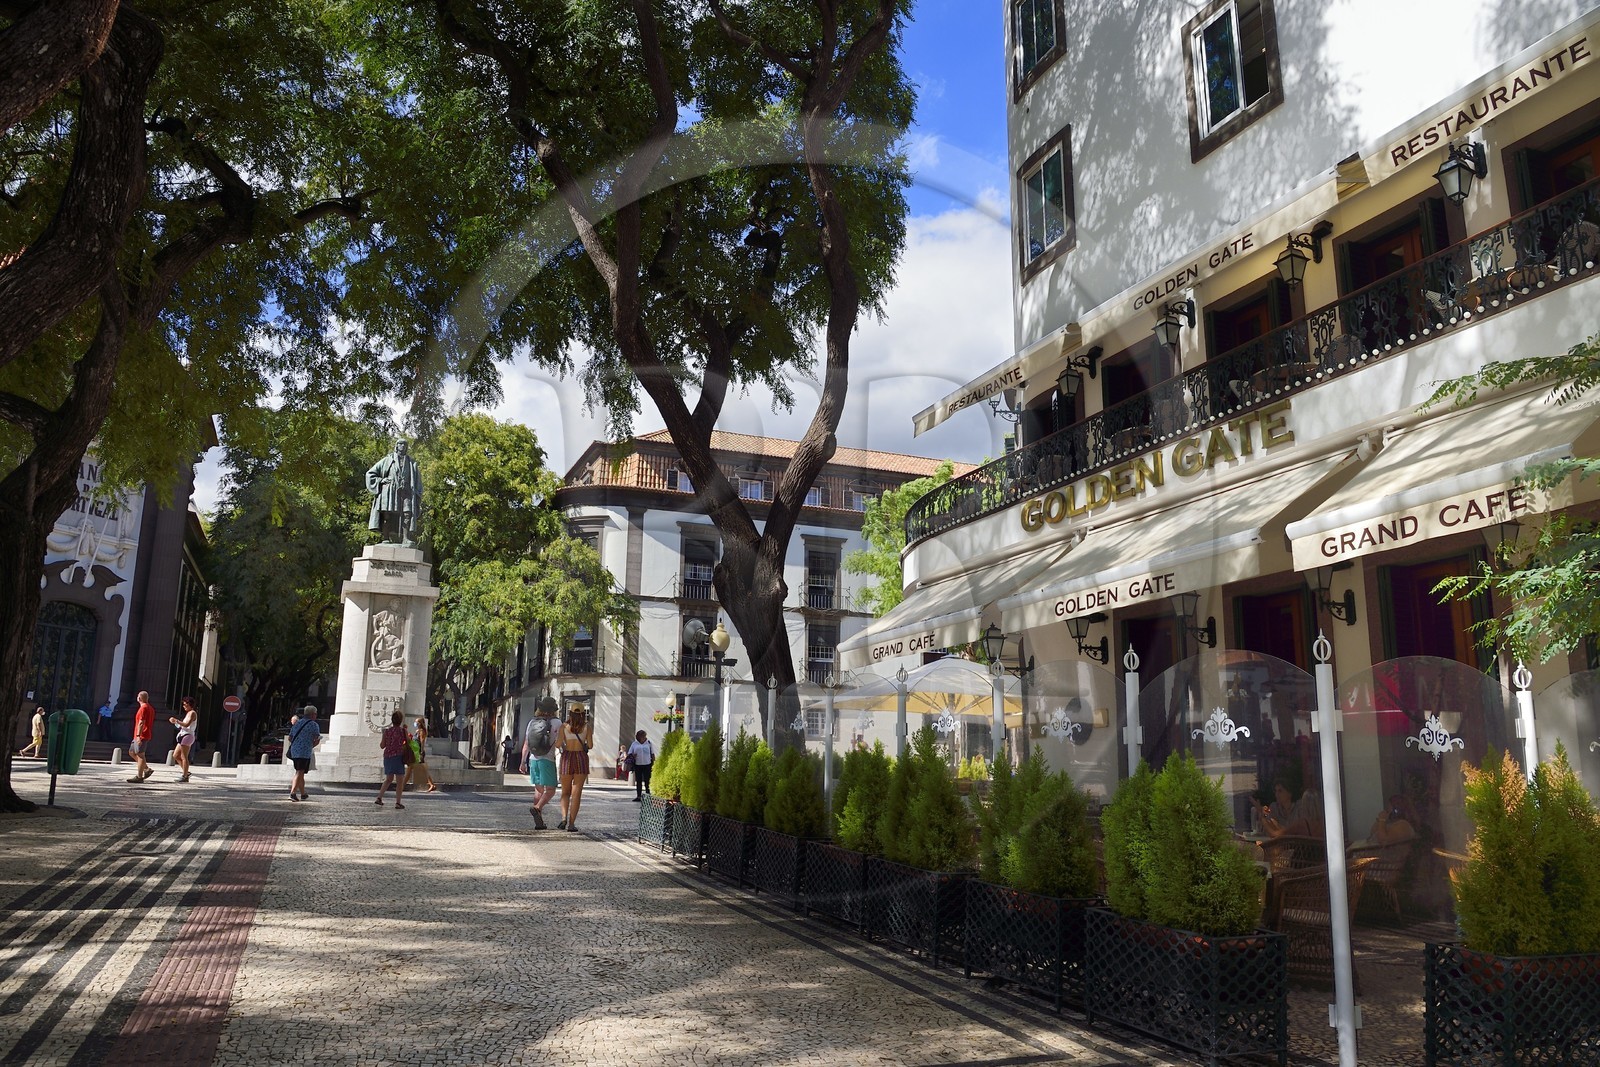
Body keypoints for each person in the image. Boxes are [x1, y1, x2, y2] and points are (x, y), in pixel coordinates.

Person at [365, 439, 423, 546]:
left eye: (405, 444)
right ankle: (385, 538)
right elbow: (370, 474)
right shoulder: (388, 460)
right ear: (396, 446)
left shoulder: (411, 463)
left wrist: (416, 493)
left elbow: (418, 481)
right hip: (390, 491)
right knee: (387, 515)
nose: (403, 446)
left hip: (406, 492)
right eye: (400, 444)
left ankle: (405, 538)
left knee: (407, 513)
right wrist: (381, 480)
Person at [521, 697, 560, 829]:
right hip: (547, 759)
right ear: (554, 710)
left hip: (533, 759)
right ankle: (537, 807)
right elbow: (561, 743)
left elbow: (526, 743)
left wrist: (522, 762)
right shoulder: (557, 723)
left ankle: (539, 822)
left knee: (538, 790)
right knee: (551, 790)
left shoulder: (532, 722)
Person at [556, 704, 593, 833]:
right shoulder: (586, 727)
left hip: (567, 757)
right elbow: (591, 745)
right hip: (581, 758)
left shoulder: (564, 727)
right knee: (576, 793)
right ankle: (571, 824)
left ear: (570, 713)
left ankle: (564, 817)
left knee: (565, 792)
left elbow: (558, 744)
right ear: (583, 714)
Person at [1253, 774, 1325, 838]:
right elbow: (1287, 832)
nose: (1276, 794)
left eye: (1280, 791)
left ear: (1290, 793)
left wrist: (1263, 818)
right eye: (1275, 791)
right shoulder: (1274, 807)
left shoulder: (1300, 814)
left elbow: (1275, 834)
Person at [287, 705, 322, 801]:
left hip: (295, 751)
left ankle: (303, 793)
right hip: (304, 752)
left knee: (300, 771)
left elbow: (290, 737)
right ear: (312, 714)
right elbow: (317, 739)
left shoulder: (297, 723)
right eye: (315, 714)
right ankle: (292, 793)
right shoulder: (313, 725)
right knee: (299, 772)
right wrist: (310, 745)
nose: (316, 716)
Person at [376, 710, 409, 808]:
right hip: (398, 757)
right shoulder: (403, 731)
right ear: (401, 720)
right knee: (399, 781)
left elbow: (382, 746)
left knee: (388, 779)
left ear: (392, 720)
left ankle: (379, 797)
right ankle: (398, 802)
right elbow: (407, 742)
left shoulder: (387, 731)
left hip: (388, 757)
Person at [406, 716, 440, 793]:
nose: (415, 723)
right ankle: (431, 784)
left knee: (420, 769)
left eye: (416, 722)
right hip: (415, 752)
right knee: (416, 768)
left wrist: (421, 752)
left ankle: (431, 784)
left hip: (418, 752)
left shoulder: (421, 731)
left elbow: (422, 742)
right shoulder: (417, 731)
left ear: (420, 723)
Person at [168, 696, 198, 782]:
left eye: (185, 704)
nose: (184, 706)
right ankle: (186, 771)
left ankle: (185, 776)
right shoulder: (188, 713)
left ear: (190, 705)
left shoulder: (192, 713)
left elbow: (186, 724)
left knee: (183, 756)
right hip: (183, 735)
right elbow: (183, 725)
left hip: (188, 735)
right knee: (175, 755)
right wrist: (175, 722)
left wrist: (176, 720)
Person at [127, 691, 155, 783]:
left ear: (139, 698)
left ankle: (139, 776)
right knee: (132, 752)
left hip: (142, 734)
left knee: (140, 755)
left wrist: (138, 736)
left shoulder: (144, 708)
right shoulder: (150, 708)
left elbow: (141, 722)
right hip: (139, 734)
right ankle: (146, 769)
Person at [627, 730, 655, 801]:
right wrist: (633, 755)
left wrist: (654, 763)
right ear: (638, 737)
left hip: (647, 764)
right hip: (638, 764)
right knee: (639, 781)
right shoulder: (634, 744)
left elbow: (652, 753)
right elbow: (629, 753)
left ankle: (648, 796)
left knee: (647, 780)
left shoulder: (649, 743)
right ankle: (639, 796)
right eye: (642, 736)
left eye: (644, 736)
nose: (644, 737)